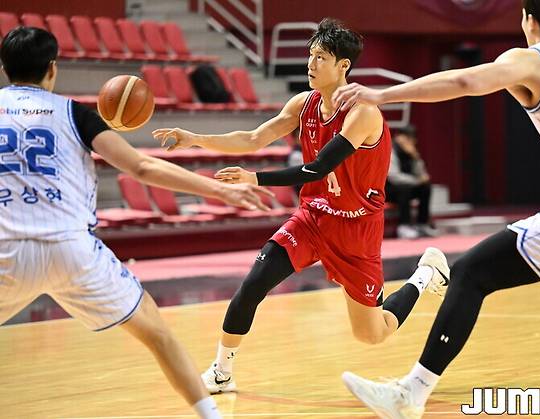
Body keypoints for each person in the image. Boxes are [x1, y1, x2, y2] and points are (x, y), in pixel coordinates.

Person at [332, 0, 540, 417]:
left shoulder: (532, 60)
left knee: (470, 273)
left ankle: (409, 395)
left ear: (528, 19)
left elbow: (465, 80)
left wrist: (382, 94)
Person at [153, 18, 451, 395]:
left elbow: (318, 167)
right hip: (312, 218)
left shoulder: (363, 112)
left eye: (320, 57)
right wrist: (195, 138)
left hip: (356, 229)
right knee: (253, 284)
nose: (310, 64)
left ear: (343, 66)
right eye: (310, 55)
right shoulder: (302, 104)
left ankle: (424, 275)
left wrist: (254, 178)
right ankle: (221, 372)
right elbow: (253, 137)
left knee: (372, 334)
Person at [0, 27, 270, 419]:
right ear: (52, 69)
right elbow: (141, 167)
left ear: (4, 68)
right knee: (157, 334)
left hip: (6, 251)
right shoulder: (74, 113)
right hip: (72, 251)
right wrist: (220, 190)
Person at [387, 125, 438, 239]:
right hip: (388, 189)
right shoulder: (391, 149)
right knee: (404, 188)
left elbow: (421, 175)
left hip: (406, 187)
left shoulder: (411, 152)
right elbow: (393, 176)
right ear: (398, 137)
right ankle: (404, 226)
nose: (410, 141)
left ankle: (422, 224)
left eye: (412, 138)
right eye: (407, 138)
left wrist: (415, 157)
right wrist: (416, 181)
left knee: (425, 187)